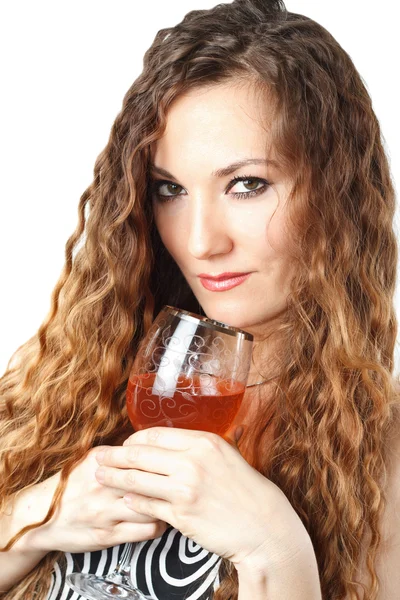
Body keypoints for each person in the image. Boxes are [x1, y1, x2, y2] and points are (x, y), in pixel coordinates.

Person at [0, 0, 399, 598]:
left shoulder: (380, 456)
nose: (198, 241)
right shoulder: (76, 374)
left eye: (247, 185)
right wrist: (35, 521)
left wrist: (275, 552)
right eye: (170, 189)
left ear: (335, 196)